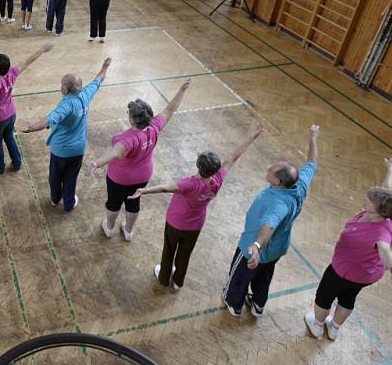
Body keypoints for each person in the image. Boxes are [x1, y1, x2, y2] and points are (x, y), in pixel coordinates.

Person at [130, 124, 265, 291]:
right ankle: (178, 281)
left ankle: (164, 277)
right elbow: (232, 158)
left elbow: (165, 188)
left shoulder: (190, 184)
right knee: (185, 254)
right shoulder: (218, 179)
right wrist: (250, 137)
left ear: (199, 166)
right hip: (195, 226)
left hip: (175, 222)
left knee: (169, 250)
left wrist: (144, 190)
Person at [304, 153, 392, 341]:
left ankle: (318, 325)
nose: (366, 199)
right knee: (348, 297)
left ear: (379, 210)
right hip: (366, 274)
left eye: (370, 200)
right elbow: (388, 189)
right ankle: (335, 328)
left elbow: (385, 249)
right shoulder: (387, 213)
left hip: (344, 270)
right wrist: (391, 168)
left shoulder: (380, 232)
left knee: (324, 295)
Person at [222, 124, 320, 318]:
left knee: (240, 277)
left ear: (277, 182)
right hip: (277, 249)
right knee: (264, 277)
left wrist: (256, 247)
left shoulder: (278, 204)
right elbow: (312, 163)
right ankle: (258, 304)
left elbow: (268, 227)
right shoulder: (298, 185)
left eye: (272, 170)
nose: (268, 169)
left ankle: (233, 304)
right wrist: (313, 139)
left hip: (252, 249)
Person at [90, 79, 191, 241]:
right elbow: (169, 110)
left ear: (133, 120)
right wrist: (182, 91)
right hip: (143, 176)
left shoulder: (127, 138)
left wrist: (97, 163)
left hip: (119, 179)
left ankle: (109, 228)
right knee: (133, 203)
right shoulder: (155, 126)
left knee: (114, 202)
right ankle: (128, 231)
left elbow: (115, 154)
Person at [21, 57, 112, 212]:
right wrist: (104, 67)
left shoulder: (66, 104)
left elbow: (49, 119)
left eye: (62, 85)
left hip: (61, 150)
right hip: (78, 149)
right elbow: (99, 79)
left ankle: (55, 199)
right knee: (70, 179)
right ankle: (68, 204)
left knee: (55, 176)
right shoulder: (85, 94)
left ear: (66, 89)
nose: (60, 87)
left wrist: (31, 128)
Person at [0, 42, 54, 175]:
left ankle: (0, 167)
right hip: (11, 115)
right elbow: (27, 61)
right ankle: (17, 163)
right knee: (9, 137)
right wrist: (42, 49)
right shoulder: (12, 72)